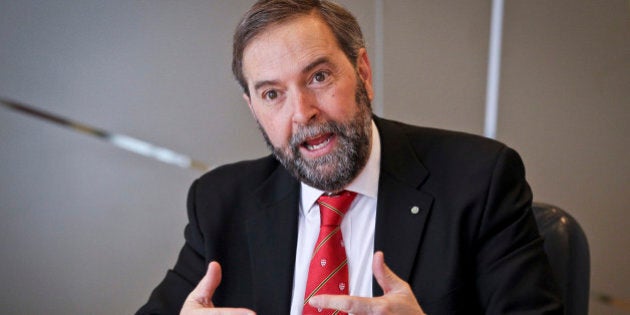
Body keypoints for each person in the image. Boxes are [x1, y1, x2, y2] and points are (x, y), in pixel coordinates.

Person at [137, 0, 563, 314]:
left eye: (318, 77)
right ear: (254, 109)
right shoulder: (219, 201)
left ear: (362, 74)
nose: (302, 112)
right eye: (272, 94)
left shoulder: (480, 179)